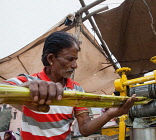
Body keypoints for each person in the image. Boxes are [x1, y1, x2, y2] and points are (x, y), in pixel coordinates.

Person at [1, 31, 136, 140]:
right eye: (70, 59)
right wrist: (28, 88)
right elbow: (3, 89)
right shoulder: (29, 80)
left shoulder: (76, 89)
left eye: (75, 60)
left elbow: (84, 128)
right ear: (51, 59)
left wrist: (109, 115)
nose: (75, 65)